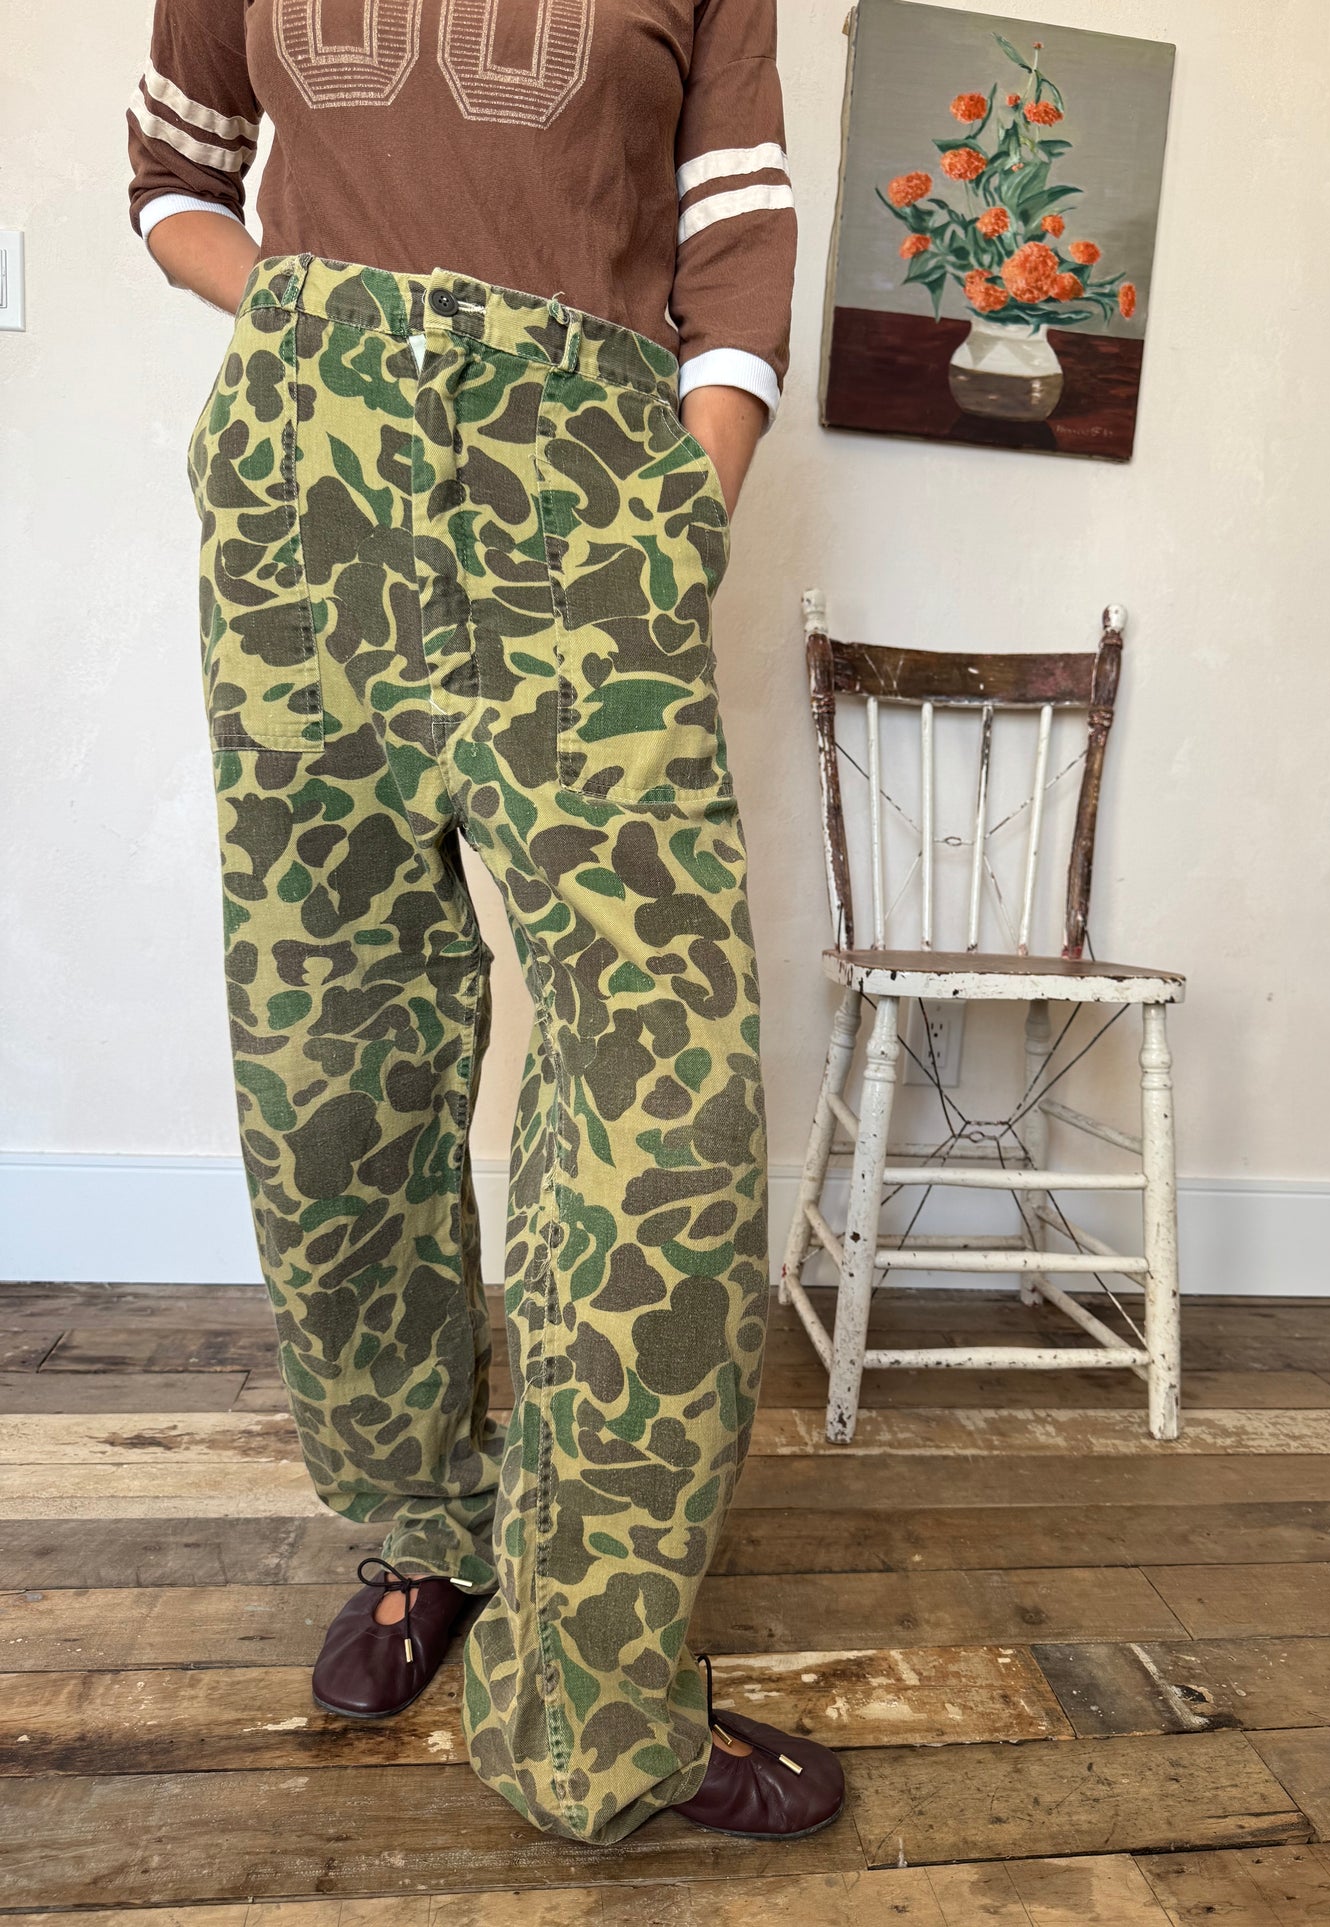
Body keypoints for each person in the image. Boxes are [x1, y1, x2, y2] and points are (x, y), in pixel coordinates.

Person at [126, 0, 841, 1850]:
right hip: (310, 506)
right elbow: (173, 179)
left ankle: (597, 1691)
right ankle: (423, 1529)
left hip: (586, 504)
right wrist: (316, 322)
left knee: (660, 1094)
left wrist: (684, 503)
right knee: (334, 1059)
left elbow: (735, 232)